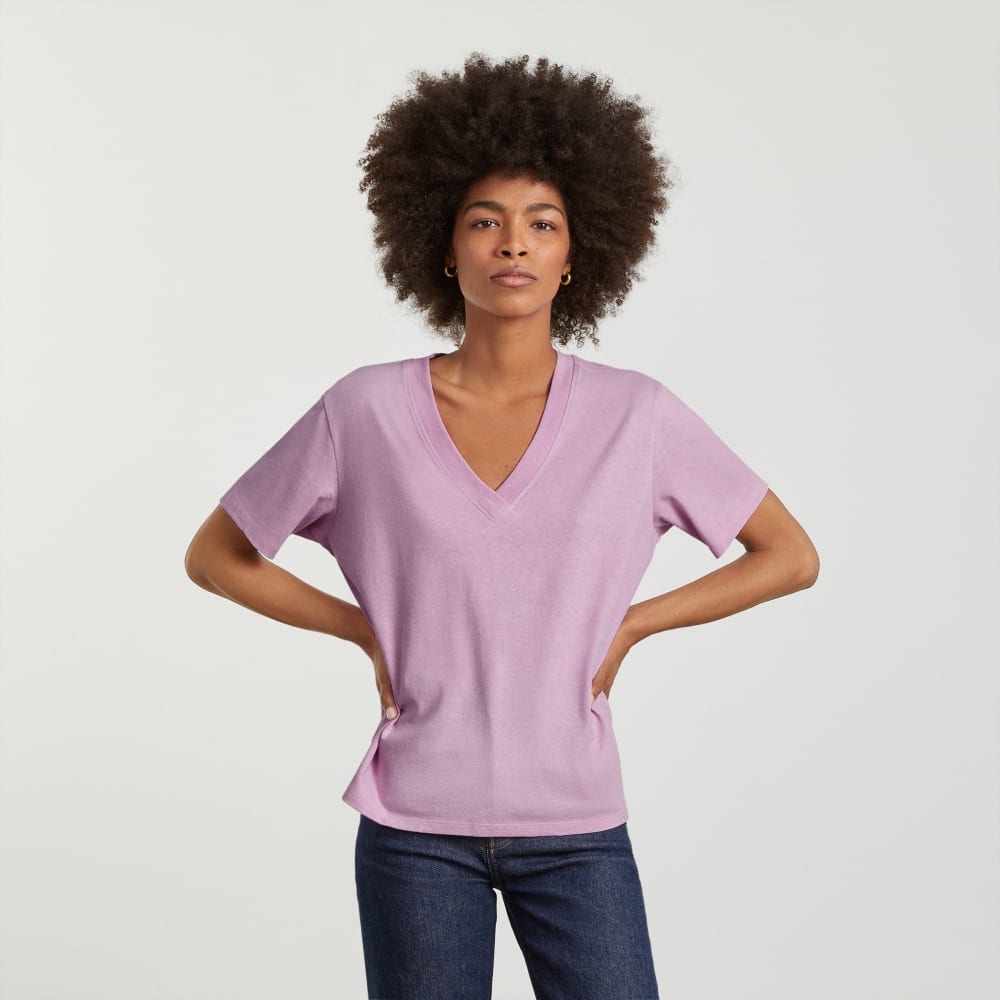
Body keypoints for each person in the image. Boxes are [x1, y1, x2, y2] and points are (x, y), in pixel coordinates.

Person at [185, 53, 819, 1000]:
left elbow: (790, 556)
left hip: (577, 824)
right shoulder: (363, 413)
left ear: (577, 252)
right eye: (485, 221)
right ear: (444, 248)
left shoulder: (637, 417)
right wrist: (362, 628)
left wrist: (635, 624)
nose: (513, 244)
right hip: (414, 829)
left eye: (542, 223)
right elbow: (218, 555)